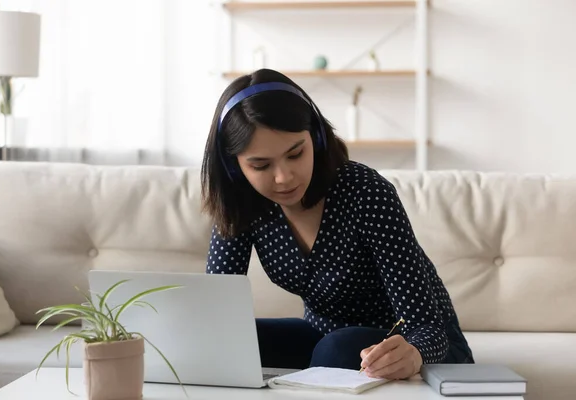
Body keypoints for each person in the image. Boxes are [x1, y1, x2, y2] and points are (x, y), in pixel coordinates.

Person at [201, 68, 474, 380]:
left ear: (316, 138)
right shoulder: (241, 203)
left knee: (335, 350)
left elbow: (428, 328)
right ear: (233, 167)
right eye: (261, 165)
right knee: (231, 342)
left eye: (296, 154)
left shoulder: (366, 193)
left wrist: (414, 353)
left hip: (415, 348)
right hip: (323, 341)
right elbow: (217, 312)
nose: (283, 177)